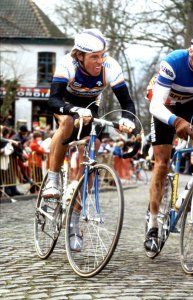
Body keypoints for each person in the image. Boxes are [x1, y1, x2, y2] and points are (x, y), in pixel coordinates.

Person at [43, 28, 136, 251]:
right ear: (80, 56)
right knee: (65, 123)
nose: (99, 60)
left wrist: (128, 121)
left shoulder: (109, 67)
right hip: (65, 103)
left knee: (92, 156)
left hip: (91, 106)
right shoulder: (67, 64)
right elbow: (52, 99)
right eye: (94, 56)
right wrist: (72, 110)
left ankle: (75, 222)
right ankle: (53, 178)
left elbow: (127, 103)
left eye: (102, 54)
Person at [144, 37, 193, 254]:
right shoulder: (174, 62)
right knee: (162, 164)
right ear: (191, 52)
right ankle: (153, 224)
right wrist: (176, 121)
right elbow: (155, 105)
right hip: (165, 108)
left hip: (191, 105)